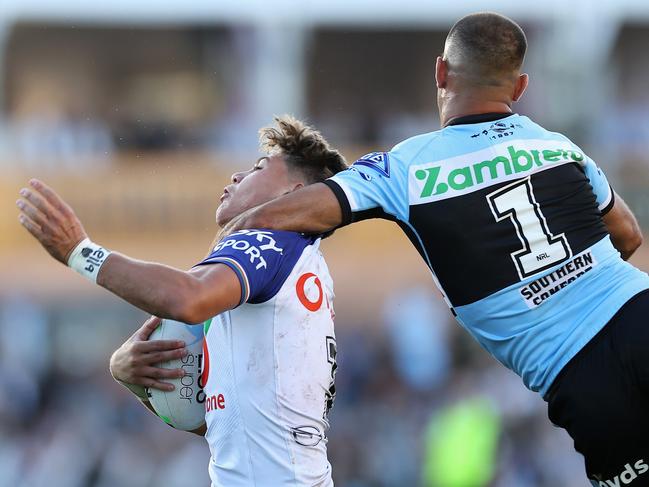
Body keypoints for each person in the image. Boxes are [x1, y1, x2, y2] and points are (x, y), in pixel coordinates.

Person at [225, 13, 649, 486]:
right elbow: (628, 234)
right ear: (521, 85)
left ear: (441, 72)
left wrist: (230, 235)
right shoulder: (558, 147)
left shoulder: (405, 167)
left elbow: (289, 213)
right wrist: (571, 283)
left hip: (580, 373)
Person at [16, 116, 347, 487]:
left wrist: (81, 253)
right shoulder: (305, 268)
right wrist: (143, 386)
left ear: (292, 193)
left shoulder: (269, 242)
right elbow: (236, 429)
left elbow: (188, 298)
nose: (237, 176)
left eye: (258, 168)